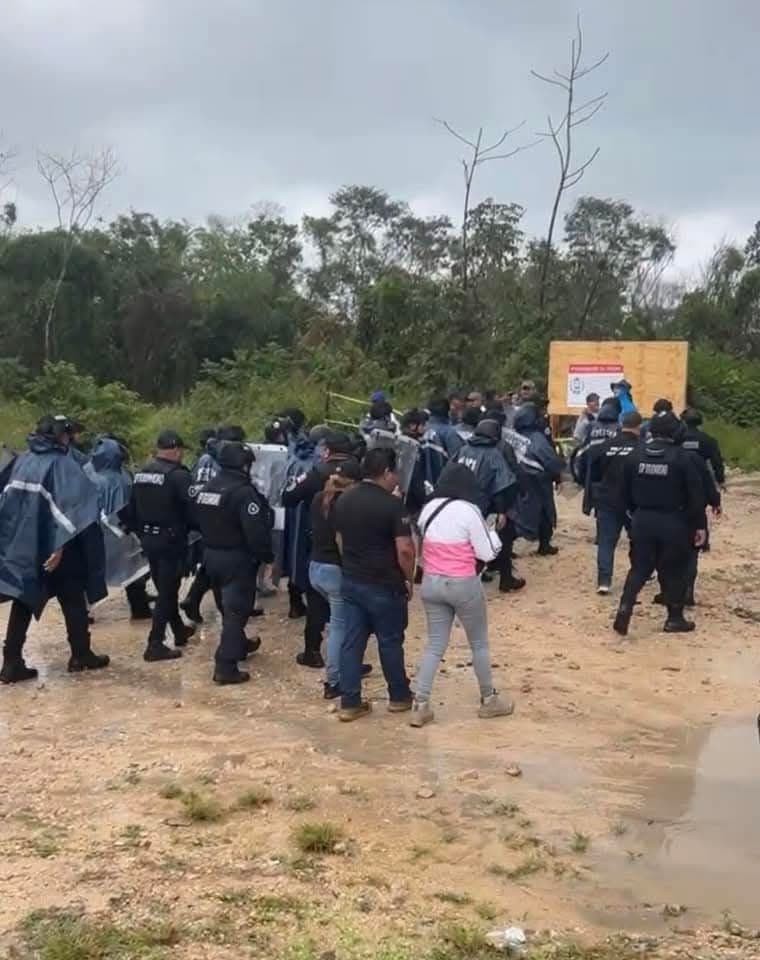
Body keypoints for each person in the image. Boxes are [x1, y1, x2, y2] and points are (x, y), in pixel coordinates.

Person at [0, 415, 110, 683]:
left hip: (28, 545)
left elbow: (8, 501)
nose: (70, 440)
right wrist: (59, 545)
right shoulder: (63, 464)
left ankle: (11, 662)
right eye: (69, 435)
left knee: (25, 598)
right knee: (72, 596)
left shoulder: (23, 460)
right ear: (62, 436)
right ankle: (81, 654)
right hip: (58, 548)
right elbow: (71, 508)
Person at [410, 463, 515, 727]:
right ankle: (489, 700)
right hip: (462, 584)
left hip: (431, 583)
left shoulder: (428, 509)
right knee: (478, 644)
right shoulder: (470, 511)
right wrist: (494, 533)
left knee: (435, 645)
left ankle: (420, 705)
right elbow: (487, 553)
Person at [334, 448, 415, 722]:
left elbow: (339, 539)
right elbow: (405, 550)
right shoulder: (392, 505)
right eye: (395, 473)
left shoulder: (344, 498)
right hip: (384, 584)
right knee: (390, 642)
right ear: (387, 472)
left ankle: (350, 702)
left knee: (352, 643)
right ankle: (399, 697)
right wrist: (409, 578)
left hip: (352, 581)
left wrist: (350, 563)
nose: (397, 479)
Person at [612, 412, 706, 637]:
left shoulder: (635, 455)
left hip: (642, 519)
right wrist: (699, 525)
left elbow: (622, 493)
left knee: (639, 569)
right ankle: (674, 618)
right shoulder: (683, 458)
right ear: (676, 432)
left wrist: (633, 517)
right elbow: (696, 497)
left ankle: (624, 610)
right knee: (674, 570)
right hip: (674, 521)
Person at [194, 441, 274, 684]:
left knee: (226, 607)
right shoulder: (243, 493)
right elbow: (255, 532)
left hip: (211, 555)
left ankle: (239, 646)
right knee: (236, 612)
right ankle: (225, 665)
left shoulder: (207, 488)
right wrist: (267, 556)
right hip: (236, 558)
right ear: (244, 465)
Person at [282, 431, 357, 668]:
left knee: (316, 600)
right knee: (348, 607)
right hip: (353, 547)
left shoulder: (316, 473)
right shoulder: (359, 470)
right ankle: (349, 657)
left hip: (317, 540)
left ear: (326, 451)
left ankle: (312, 650)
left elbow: (288, 497)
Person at [131, 430, 196, 662]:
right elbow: (193, 509)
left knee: (165, 588)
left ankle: (178, 630)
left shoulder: (141, 474)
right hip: (171, 540)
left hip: (148, 539)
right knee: (167, 592)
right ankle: (155, 643)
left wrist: (140, 531)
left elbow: (129, 509)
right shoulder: (179, 476)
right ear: (176, 450)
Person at [308, 459, 369, 699]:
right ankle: (334, 680)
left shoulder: (319, 498)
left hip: (316, 567)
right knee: (339, 627)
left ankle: (346, 667)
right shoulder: (345, 504)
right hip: (334, 570)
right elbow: (340, 540)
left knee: (338, 623)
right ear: (353, 482)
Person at [85, 436, 153, 619]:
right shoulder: (120, 477)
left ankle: (82, 613)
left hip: (95, 529)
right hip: (119, 529)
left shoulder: (88, 472)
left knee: (90, 572)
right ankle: (139, 608)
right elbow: (126, 506)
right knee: (134, 570)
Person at [455, 417, 522, 592]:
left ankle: (468, 576)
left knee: (465, 542)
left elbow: (448, 473)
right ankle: (506, 579)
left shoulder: (463, 450)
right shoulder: (493, 454)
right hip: (484, 506)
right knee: (503, 539)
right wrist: (502, 511)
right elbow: (501, 485)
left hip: (459, 503)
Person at [585, 411, 643, 595]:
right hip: (633, 503)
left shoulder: (604, 446)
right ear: (639, 426)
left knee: (606, 542)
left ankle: (604, 581)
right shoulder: (641, 448)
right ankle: (639, 573)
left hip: (607, 500)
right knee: (638, 539)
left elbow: (593, 473)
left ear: (621, 424)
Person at [506, 403, 565, 556]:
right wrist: (558, 473)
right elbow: (550, 459)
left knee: (517, 513)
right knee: (544, 512)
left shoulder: (512, 436)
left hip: (516, 480)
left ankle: (508, 547)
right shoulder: (537, 438)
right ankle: (543, 545)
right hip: (538, 481)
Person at [421, 396, 463, 489]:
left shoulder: (422, 429)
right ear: (448, 412)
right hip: (443, 486)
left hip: (423, 485)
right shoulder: (450, 433)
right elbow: (457, 461)